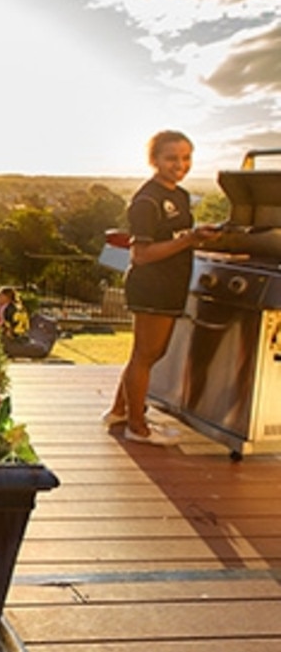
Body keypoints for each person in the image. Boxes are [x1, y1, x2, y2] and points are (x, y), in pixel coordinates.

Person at [104, 131, 220, 446]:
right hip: (152, 286)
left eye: (186, 158)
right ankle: (137, 427)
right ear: (154, 160)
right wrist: (189, 240)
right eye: (171, 158)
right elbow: (140, 255)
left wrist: (197, 234)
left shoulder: (180, 196)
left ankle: (119, 411)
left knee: (146, 353)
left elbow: (175, 235)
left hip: (171, 283)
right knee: (147, 353)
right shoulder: (146, 201)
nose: (180, 165)